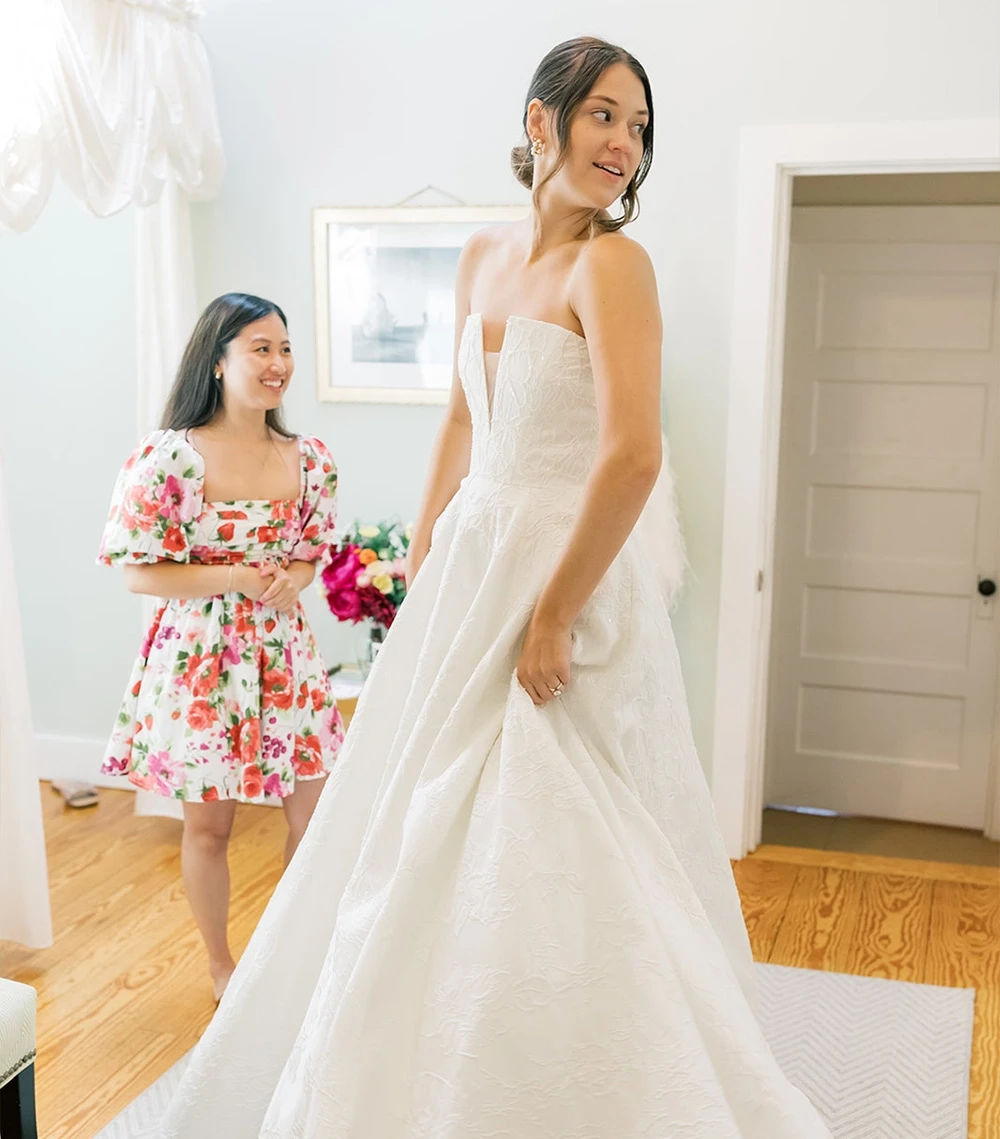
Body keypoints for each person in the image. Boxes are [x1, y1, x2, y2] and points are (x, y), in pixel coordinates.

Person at [161, 39, 833, 1138]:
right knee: (420, 825)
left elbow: (630, 456)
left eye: (640, 126)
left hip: (557, 573)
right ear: (541, 122)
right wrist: (422, 567)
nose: (625, 144)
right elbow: (465, 419)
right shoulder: (480, 255)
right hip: (471, 569)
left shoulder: (613, 268)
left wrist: (553, 613)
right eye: (606, 116)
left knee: (556, 816)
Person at [98, 293, 345, 1002]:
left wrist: (290, 578)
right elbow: (138, 571)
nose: (278, 364)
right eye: (260, 348)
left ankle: (287, 951)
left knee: (316, 815)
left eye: (285, 348)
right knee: (210, 826)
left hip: (285, 657)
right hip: (200, 661)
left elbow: (309, 555)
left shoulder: (310, 460)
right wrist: (237, 575)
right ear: (217, 360)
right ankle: (221, 964)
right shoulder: (169, 457)